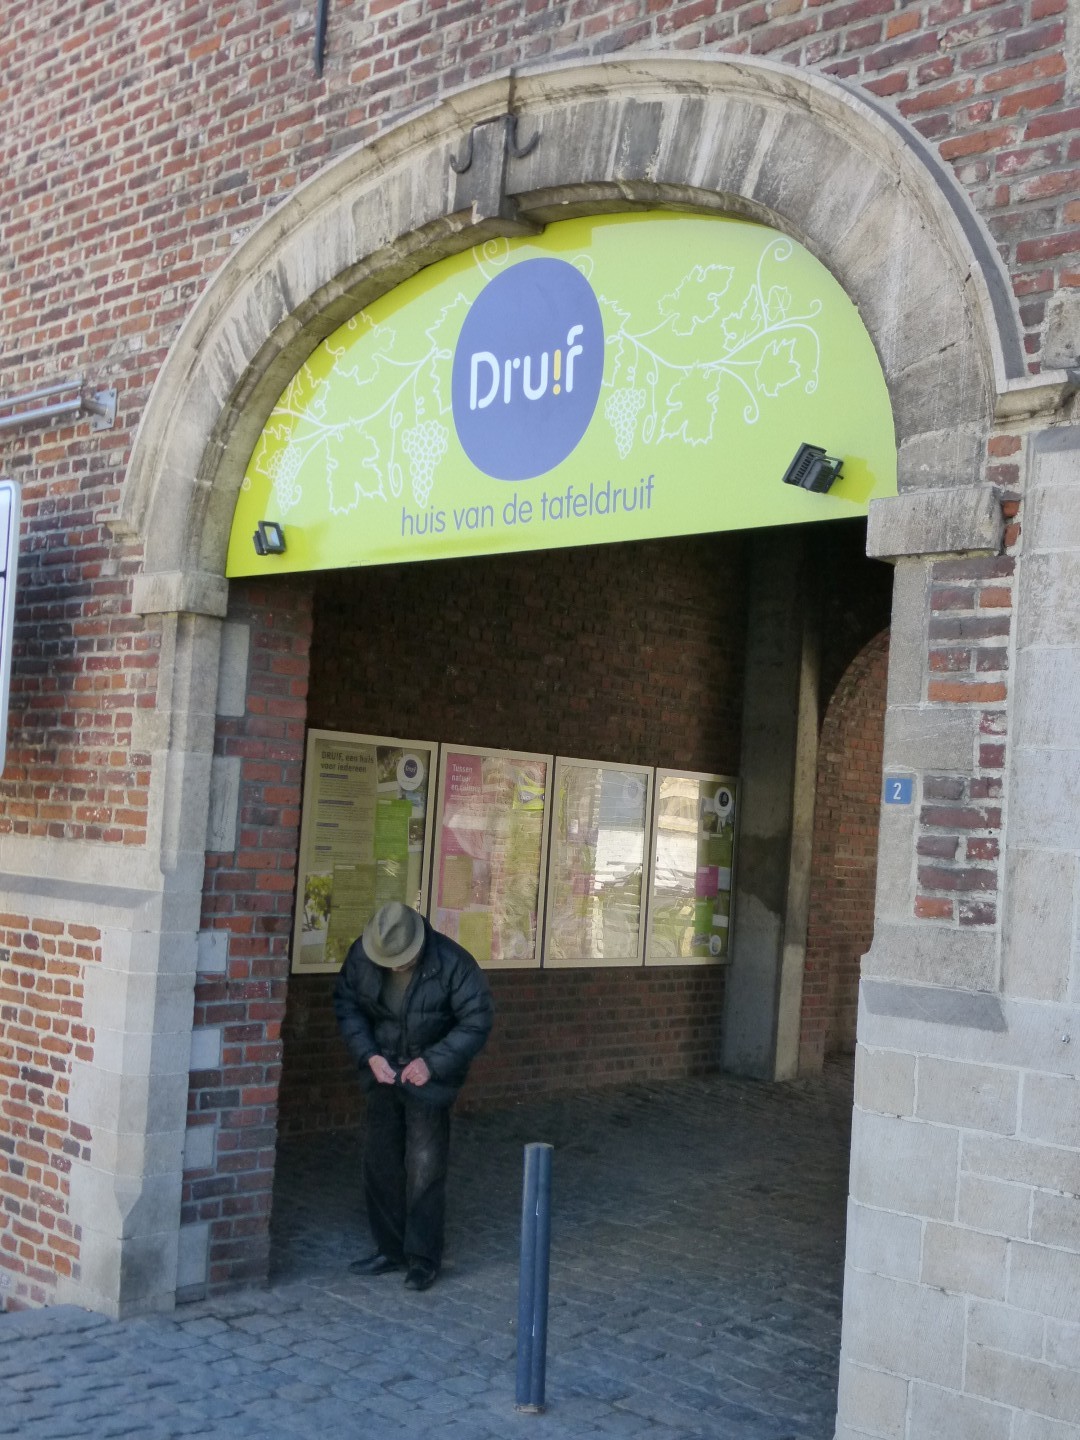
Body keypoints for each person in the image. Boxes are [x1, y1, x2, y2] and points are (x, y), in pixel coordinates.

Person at [332, 900, 494, 1291]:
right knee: (380, 1162)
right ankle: (389, 1249)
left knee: (425, 1167)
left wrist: (432, 1063)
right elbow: (347, 1005)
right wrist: (369, 1055)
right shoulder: (363, 954)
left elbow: (477, 1019)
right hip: (383, 1072)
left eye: (400, 960)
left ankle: (423, 1258)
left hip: (428, 1077)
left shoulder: (454, 963)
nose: (393, 967)